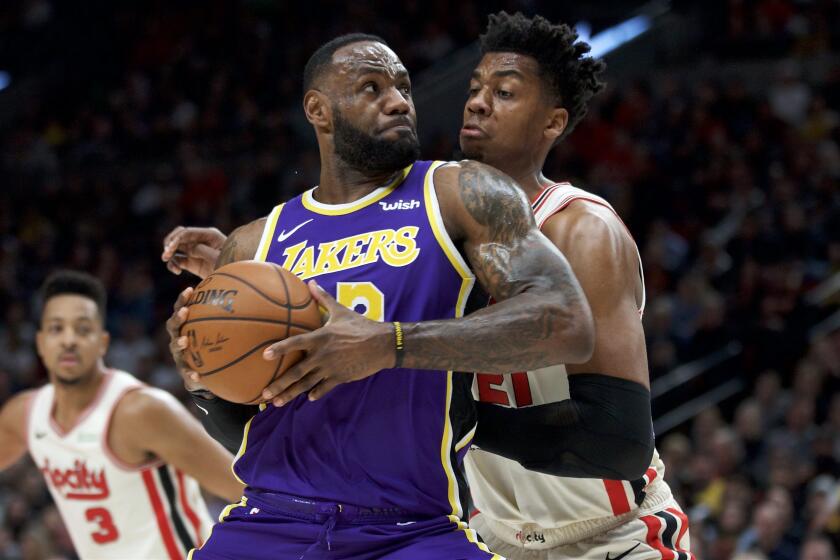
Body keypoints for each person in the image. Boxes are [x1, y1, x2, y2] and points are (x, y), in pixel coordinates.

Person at [167, 32, 597, 559]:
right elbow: (244, 425)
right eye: (371, 87)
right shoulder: (255, 242)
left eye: (402, 87)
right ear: (318, 110)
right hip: (268, 519)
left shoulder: (461, 192)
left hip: (412, 527)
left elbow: (566, 322)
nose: (398, 101)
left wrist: (389, 344)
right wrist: (202, 373)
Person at [459, 12, 693, 560]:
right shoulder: (432, 228)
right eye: (475, 88)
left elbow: (617, 439)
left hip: (614, 535)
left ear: (552, 123)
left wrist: (458, 419)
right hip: (495, 536)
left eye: (505, 92)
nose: (477, 102)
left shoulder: (582, 230)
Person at [0, 270, 244, 560]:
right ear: (40, 342)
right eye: (56, 328)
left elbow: (243, 490)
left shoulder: (141, 411)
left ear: (103, 341)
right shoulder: (26, 415)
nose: (69, 340)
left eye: (82, 328)